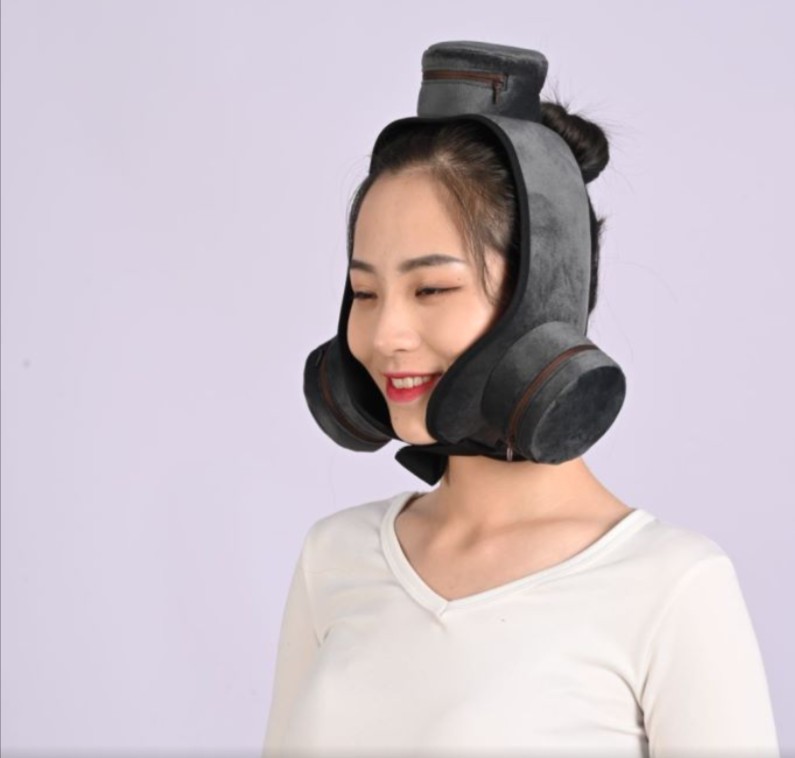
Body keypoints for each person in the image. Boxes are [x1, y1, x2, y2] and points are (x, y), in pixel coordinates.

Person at [262, 46, 780, 757]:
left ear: (542, 300)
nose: (384, 335)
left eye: (431, 288)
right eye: (365, 292)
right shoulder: (334, 557)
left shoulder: (672, 586)